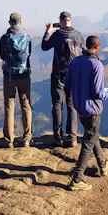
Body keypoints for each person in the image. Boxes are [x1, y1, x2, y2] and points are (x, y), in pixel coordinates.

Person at [66, 36, 108, 191]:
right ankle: (77, 179)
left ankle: (103, 164)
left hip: (79, 108)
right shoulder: (97, 65)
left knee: (92, 136)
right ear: (97, 47)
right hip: (92, 110)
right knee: (88, 141)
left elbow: (67, 84)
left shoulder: (75, 62)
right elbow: (98, 92)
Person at [42, 11, 85, 147]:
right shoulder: (78, 35)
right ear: (70, 21)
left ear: (60, 21)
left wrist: (48, 32)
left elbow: (44, 46)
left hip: (58, 75)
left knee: (57, 105)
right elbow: (84, 52)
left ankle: (57, 136)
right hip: (74, 76)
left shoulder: (57, 35)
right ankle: (72, 138)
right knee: (72, 106)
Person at [0, 12, 32, 148]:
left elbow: (2, 55)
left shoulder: (5, 38)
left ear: (10, 22)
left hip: (10, 76)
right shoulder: (27, 38)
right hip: (24, 75)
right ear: (20, 22)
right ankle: (27, 138)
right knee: (26, 105)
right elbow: (29, 54)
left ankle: (8, 140)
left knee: (9, 106)